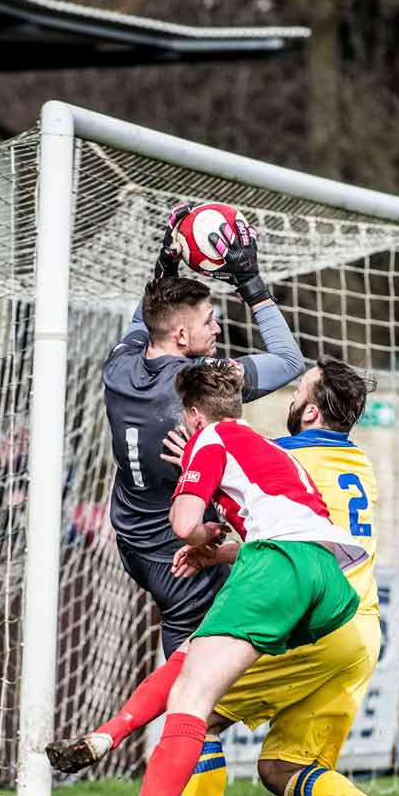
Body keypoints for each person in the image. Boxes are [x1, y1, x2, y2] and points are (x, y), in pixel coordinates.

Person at [56, 357, 399, 796]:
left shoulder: (255, 443)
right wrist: (222, 552)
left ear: (309, 410)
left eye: (297, 391)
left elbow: (191, 518)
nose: (288, 397)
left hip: (288, 588)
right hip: (350, 614)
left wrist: (197, 475)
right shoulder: (356, 461)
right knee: (281, 764)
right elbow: (288, 518)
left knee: (195, 708)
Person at [97, 202, 304, 658]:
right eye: (210, 319)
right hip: (180, 552)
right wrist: (252, 285)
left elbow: (146, 318)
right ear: (183, 338)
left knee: (195, 677)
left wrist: (165, 266)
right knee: (199, 686)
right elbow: (290, 361)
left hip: (132, 538)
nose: (219, 324)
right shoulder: (201, 381)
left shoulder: (120, 362)